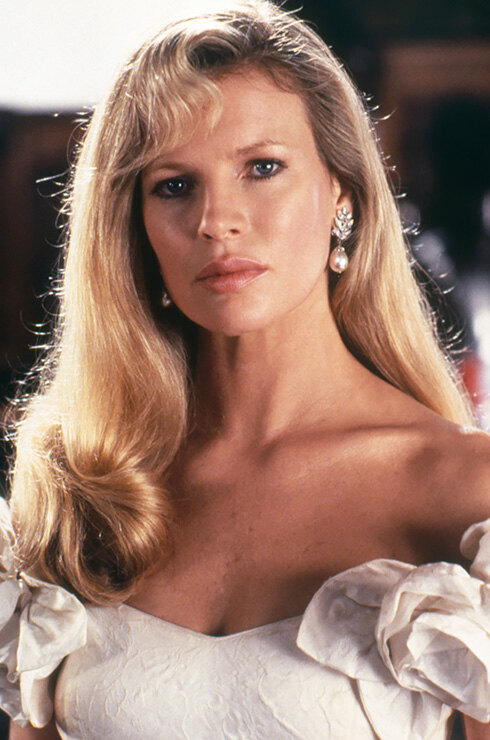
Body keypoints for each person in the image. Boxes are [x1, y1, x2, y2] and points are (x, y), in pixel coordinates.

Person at [2, 1, 490, 738]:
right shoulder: (84, 479)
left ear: (342, 194)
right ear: (133, 226)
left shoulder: (463, 491)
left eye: (262, 168)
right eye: (174, 185)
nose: (215, 220)